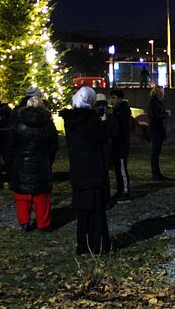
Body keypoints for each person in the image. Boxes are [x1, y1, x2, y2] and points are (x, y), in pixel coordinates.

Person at [61, 87, 112, 255]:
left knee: (82, 211)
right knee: (96, 210)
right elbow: (103, 137)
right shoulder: (91, 120)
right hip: (93, 169)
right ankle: (98, 244)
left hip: (78, 169)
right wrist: (103, 122)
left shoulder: (70, 121)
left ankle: (83, 245)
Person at [8, 96, 58, 232]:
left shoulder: (18, 123)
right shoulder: (48, 124)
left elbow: (11, 144)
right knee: (41, 194)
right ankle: (43, 223)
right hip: (41, 161)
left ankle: (24, 222)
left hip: (22, 161)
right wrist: (48, 159)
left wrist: (14, 159)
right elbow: (53, 145)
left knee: (22, 193)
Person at [109, 89, 132, 202]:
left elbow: (120, 129)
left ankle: (125, 191)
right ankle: (120, 189)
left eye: (113, 98)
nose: (111, 101)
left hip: (121, 144)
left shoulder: (122, 111)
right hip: (118, 143)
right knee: (118, 167)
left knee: (122, 167)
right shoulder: (118, 110)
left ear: (119, 99)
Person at [147, 85, 169, 180]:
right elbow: (155, 116)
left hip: (156, 129)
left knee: (156, 152)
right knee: (155, 153)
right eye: (162, 92)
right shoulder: (154, 102)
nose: (164, 94)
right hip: (156, 130)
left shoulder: (155, 102)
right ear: (159, 93)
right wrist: (165, 114)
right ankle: (155, 174)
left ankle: (156, 173)